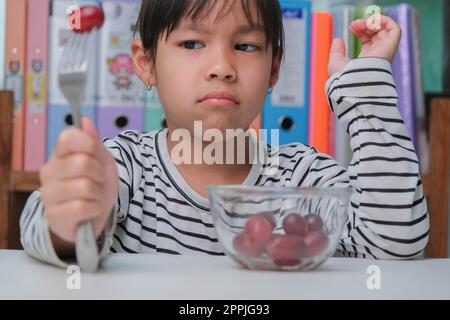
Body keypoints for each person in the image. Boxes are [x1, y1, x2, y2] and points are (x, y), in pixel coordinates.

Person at [20, 0, 429, 267]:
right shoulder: (122, 169)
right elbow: (40, 225)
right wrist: (75, 223)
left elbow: (393, 245)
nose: (221, 66)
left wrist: (366, 89)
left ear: (273, 70)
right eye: (193, 42)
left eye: (247, 46)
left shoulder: (304, 178)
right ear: (145, 63)